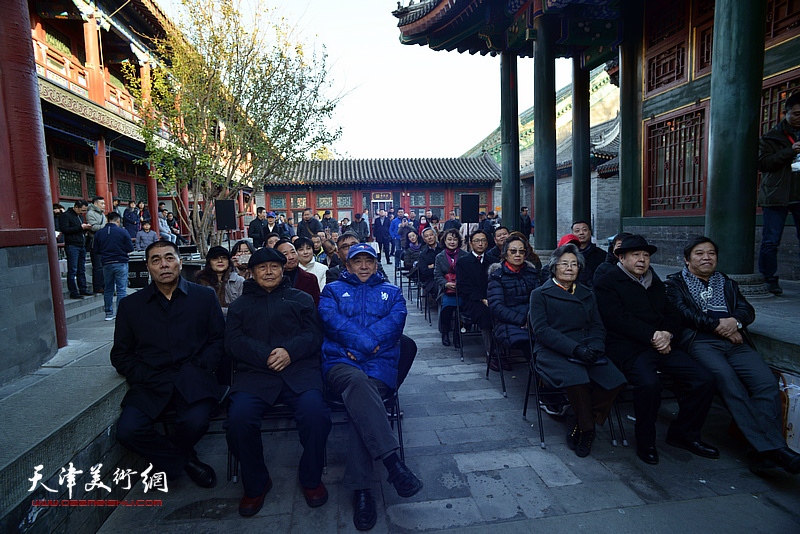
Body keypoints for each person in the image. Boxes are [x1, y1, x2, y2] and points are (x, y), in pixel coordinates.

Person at [665, 236, 800, 474]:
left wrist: (736, 322)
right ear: (687, 260)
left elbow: (747, 310)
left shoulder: (726, 282)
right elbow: (683, 313)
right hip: (702, 341)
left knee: (766, 383)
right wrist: (721, 326)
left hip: (735, 341)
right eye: (699, 253)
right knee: (729, 383)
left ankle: (759, 451)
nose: (706, 258)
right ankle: (775, 449)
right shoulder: (675, 284)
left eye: (711, 253)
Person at [318, 244, 423, 531]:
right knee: (357, 385)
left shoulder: (392, 293)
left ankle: (363, 490)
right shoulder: (332, 290)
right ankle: (393, 463)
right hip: (340, 364)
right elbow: (331, 322)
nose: (363, 266)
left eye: (369, 262)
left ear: (376, 265)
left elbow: (394, 325)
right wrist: (362, 346)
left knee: (361, 403)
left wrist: (363, 350)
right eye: (357, 262)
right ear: (348, 265)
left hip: (378, 366)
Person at [111, 240, 226, 489]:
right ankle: (187, 461)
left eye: (169, 258)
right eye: (156, 260)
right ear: (148, 267)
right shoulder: (131, 306)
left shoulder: (203, 297)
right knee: (128, 431)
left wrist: (202, 366)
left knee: (196, 422)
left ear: (180, 262)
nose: (164, 264)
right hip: (152, 382)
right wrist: (143, 374)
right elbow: (120, 354)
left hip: (194, 378)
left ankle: (175, 459)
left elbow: (218, 340)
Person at [225, 247, 331, 516]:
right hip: (255, 376)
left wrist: (289, 352)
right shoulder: (240, 306)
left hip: (299, 372)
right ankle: (257, 482)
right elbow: (233, 342)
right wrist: (265, 356)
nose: (269, 272)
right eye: (262, 268)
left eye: (274, 266)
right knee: (237, 420)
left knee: (316, 414)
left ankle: (310, 477)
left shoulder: (301, 299)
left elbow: (314, 335)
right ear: (252, 272)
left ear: (283, 269)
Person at [594, 235, 718, 465]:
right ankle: (646, 441)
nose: (642, 260)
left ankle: (684, 433)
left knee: (704, 379)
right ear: (621, 258)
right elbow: (617, 320)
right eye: (636, 255)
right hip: (630, 348)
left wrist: (667, 334)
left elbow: (672, 313)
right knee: (649, 385)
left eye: (646, 255)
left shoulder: (655, 281)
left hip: (663, 345)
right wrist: (652, 336)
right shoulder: (608, 282)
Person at [529, 243, 626, 457]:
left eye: (574, 264)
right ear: (554, 267)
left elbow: (598, 325)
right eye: (564, 264)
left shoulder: (587, 293)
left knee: (615, 381)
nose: (570, 268)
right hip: (553, 350)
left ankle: (578, 417)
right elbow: (542, 331)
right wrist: (575, 349)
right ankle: (587, 430)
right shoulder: (540, 294)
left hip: (588, 346)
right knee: (577, 380)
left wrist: (596, 347)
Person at [757, 92, 800, 295]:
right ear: (786, 113)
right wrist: (791, 150)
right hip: (776, 194)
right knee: (771, 240)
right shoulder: (771, 137)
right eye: (797, 114)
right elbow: (763, 164)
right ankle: (769, 280)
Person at [487, 235, 541, 372]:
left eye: (521, 251)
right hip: (508, 322)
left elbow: (539, 300)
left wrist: (534, 319)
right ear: (505, 254)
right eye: (513, 251)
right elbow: (497, 307)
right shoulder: (497, 276)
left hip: (533, 319)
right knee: (532, 342)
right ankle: (540, 379)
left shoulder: (532, 273)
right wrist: (523, 320)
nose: (518, 255)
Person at [456, 230, 494, 359]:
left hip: (493, 298)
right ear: (471, 243)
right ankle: (491, 352)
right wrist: (481, 299)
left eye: (483, 240)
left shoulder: (493, 261)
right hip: (472, 300)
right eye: (477, 241)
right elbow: (464, 286)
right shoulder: (463, 262)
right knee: (485, 313)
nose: (480, 243)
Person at [93, 212, 134, 320]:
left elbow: (96, 250)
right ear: (118, 221)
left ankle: (108, 312)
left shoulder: (99, 233)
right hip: (120, 261)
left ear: (107, 220)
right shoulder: (123, 232)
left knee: (108, 289)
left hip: (106, 263)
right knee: (121, 289)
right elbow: (130, 248)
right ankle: (120, 313)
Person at [435, 229, 468, 347]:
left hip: (462, 290)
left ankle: (457, 335)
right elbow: (437, 275)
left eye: (455, 239)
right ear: (444, 241)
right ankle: (445, 333)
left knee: (462, 309)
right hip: (446, 291)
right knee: (447, 308)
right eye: (449, 239)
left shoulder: (465, 255)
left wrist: (460, 283)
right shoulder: (440, 257)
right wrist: (446, 284)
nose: (452, 242)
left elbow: (469, 274)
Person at [195, 246, 245, 316]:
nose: (220, 261)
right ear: (209, 262)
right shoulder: (201, 281)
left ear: (228, 261)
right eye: (215, 258)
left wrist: (221, 310)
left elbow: (243, 308)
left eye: (223, 258)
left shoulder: (239, 281)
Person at [60, 200, 92, 299]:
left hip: (81, 245)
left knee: (81, 269)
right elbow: (65, 230)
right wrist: (80, 227)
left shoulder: (80, 216)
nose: (82, 212)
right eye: (82, 210)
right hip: (72, 245)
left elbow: (80, 229)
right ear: (76, 207)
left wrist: (86, 228)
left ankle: (83, 289)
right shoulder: (66, 215)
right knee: (73, 269)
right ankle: (73, 291)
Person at [275, 239, 321, 306]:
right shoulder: (273, 280)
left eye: (293, 252)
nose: (291, 257)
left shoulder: (311, 279)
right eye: (285, 254)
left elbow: (316, 305)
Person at [571, 221, 606, 287]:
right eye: (577, 231)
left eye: (584, 230)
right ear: (572, 235)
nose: (581, 233)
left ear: (590, 233)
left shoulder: (601, 254)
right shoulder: (568, 254)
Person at [86, 196, 107, 293]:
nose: (104, 205)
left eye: (104, 203)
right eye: (101, 203)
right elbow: (93, 227)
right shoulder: (90, 213)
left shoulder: (102, 214)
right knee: (98, 266)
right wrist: (105, 227)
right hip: (95, 243)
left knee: (104, 266)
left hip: (104, 242)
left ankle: (105, 285)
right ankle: (98, 286)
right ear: (95, 204)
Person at [417, 226, 442, 300]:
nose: (430, 238)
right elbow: (425, 272)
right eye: (427, 236)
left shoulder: (443, 249)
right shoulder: (423, 254)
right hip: (432, 280)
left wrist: (432, 266)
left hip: (446, 277)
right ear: (424, 240)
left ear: (435, 236)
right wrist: (438, 267)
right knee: (440, 287)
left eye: (431, 235)